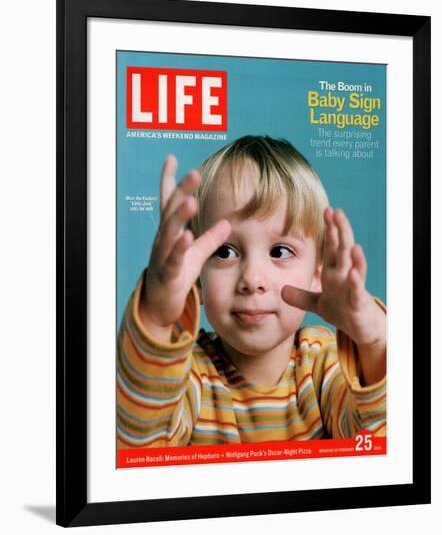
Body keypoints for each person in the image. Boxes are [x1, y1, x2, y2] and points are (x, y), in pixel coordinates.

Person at [117, 135, 386, 448]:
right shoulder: (189, 377)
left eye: (280, 251)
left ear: (318, 273)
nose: (252, 279)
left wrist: (375, 339)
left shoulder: (323, 366)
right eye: (225, 252)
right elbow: (140, 446)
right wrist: (156, 316)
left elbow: (375, 441)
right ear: (198, 278)